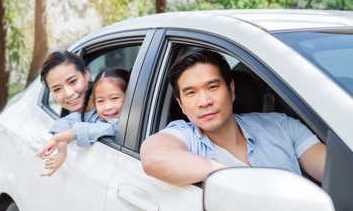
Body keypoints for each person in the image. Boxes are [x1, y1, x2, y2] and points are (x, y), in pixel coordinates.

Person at [140, 49, 326, 185]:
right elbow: (154, 159)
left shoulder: (281, 125)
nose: (204, 101)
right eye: (191, 93)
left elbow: (337, 173)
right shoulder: (185, 136)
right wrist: (231, 177)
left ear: (231, 90)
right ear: (181, 105)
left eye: (213, 87)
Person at [37, 68, 129, 176]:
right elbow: (68, 121)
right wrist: (62, 151)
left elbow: (89, 130)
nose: (107, 107)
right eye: (100, 101)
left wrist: (57, 138)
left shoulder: (120, 125)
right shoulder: (96, 116)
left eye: (114, 98)